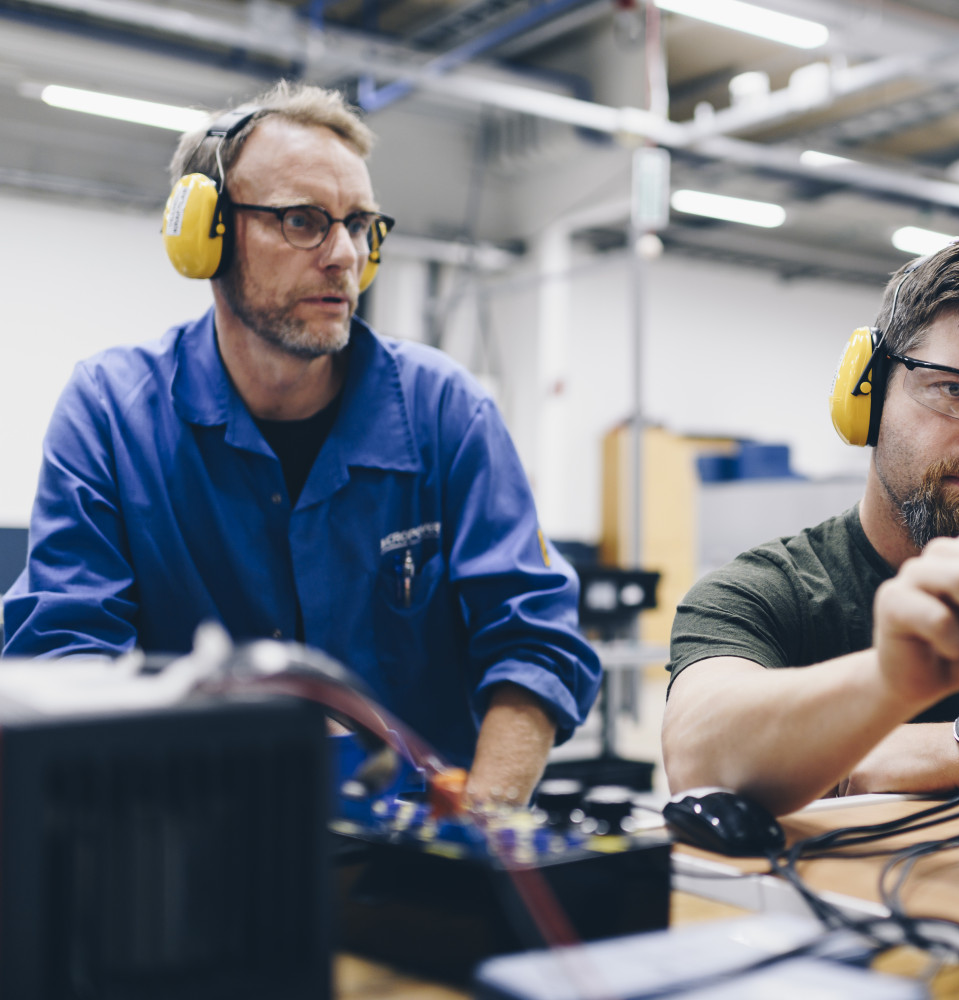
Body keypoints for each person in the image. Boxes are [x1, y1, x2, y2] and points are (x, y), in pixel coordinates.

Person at [2, 82, 600, 804]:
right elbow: (66, 660)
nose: (344, 255)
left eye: (358, 224)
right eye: (304, 220)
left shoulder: (448, 411)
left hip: (414, 864)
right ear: (206, 234)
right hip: (194, 846)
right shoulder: (111, 414)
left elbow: (534, 642)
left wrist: (479, 833)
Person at [661, 238, 959, 815]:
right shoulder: (761, 592)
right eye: (953, 388)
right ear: (868, 393)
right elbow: (699, 763)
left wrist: (855, 761)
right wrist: (896, 682)